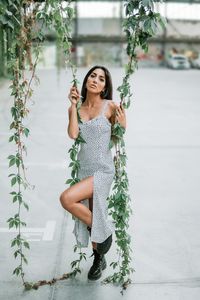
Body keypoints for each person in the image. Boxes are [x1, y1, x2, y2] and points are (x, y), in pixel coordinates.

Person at [60, 65, 126, 281]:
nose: (96, 80)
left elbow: (116, 138)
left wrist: (122, 125)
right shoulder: (76, 109)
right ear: (87, 79)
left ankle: (104, 231)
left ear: (105, 86)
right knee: (91, 215)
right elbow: (72, 134)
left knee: (67, 199)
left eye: (101, 78)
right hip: (84, 168)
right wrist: (72, 105)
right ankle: (99, 259)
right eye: (92, 75)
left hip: (103, 170)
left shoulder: (110, 107)